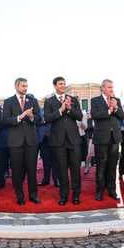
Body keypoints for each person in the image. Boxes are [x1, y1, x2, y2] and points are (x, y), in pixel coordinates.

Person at [44, 77, 83, 205]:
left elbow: (79, 116)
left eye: (64, 83)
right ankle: (63, 196)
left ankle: (76, 195)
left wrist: (69, 108)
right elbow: (47, 118)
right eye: (60, 84)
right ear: (55, 85)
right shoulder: (49, 101)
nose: (63, 85)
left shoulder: (73, 99)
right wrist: (60, 110)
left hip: (73, 140)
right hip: (58, 141)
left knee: (75, 169)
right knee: (62, 170)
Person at [2, 78, 41, 205]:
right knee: (17, 171)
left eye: (26, 86)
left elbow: (39, 119)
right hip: (15, 141)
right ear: (16, 86)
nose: (25, 88)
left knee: (32, 170)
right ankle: (19, 196)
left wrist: (32, 116)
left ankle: (33, 195)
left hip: (31, 141)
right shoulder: (8, 101)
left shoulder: (33, 100)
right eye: (23, 86)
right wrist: (21, 116)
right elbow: (5, 120)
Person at [91, 79, 124, 200]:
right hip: (101, 138)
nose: (112, 89)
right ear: (103, 88)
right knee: (101, 166)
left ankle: (112, 190)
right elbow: (95, 115)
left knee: (112, 166)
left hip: (114, 138)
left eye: (112, 87)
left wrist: (116, 108)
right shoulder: (95, 100)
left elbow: (122, 116)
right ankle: (99, 191)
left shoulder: (117, 100)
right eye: (109, 87)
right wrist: (109, 111)